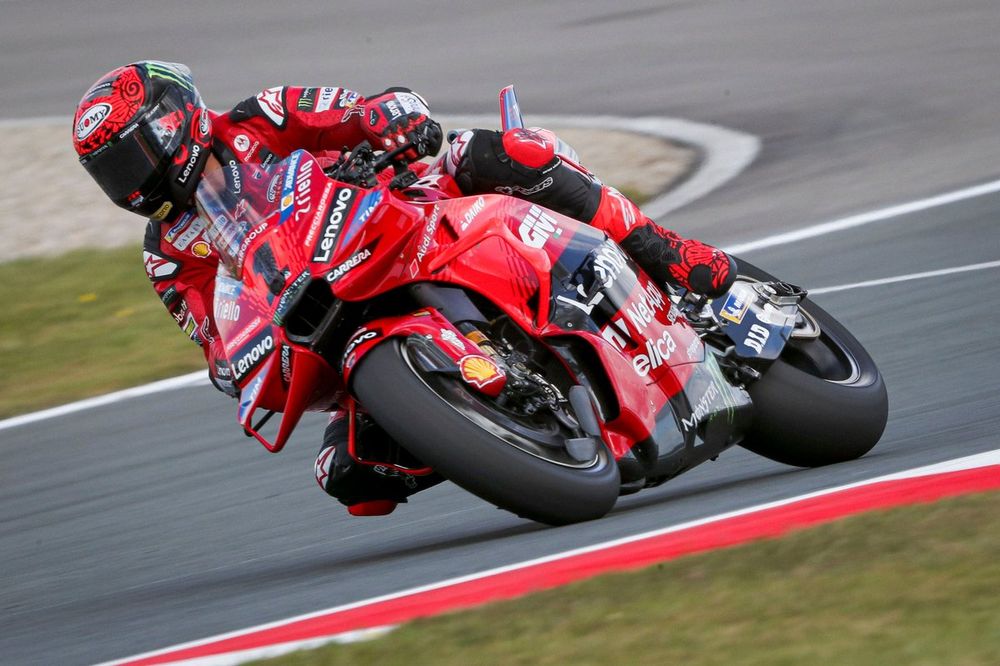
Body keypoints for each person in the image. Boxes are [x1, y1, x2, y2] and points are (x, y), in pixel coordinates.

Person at [73, 61, 736, 517]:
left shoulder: (260, 119)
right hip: (328, 315)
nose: (129, 183)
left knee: (502, 154)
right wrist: (232, 365)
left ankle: (668, 251)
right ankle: (497, 428)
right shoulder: (167, 254)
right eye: (110, 174)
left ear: (173, 122)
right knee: (348, 475)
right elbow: (213, 336)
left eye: (130, 157)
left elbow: (361, 110)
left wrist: (392, 121)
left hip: (404, 216)